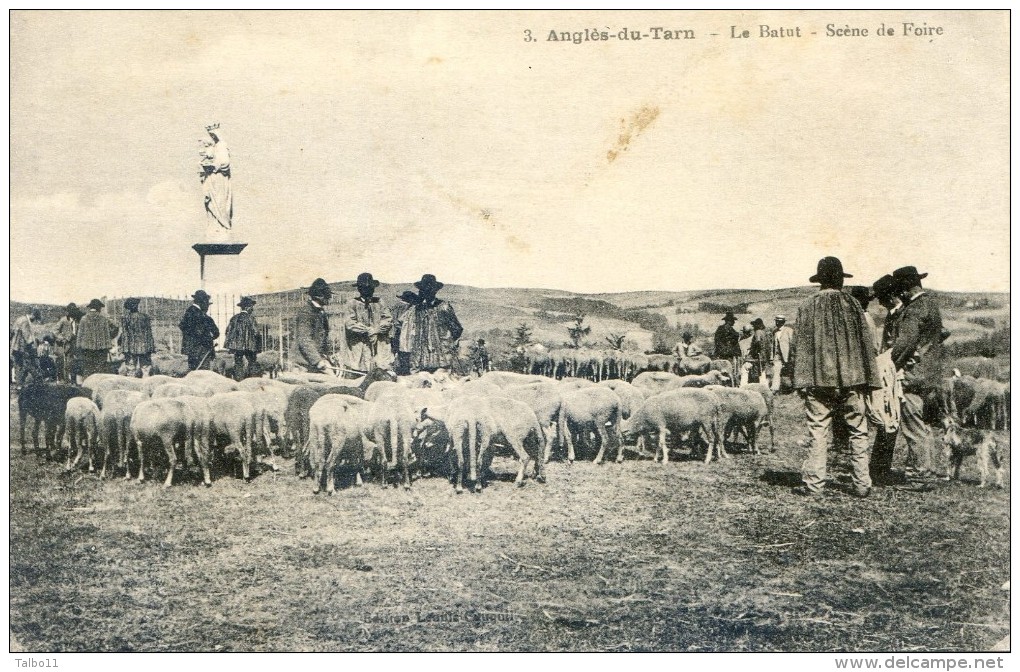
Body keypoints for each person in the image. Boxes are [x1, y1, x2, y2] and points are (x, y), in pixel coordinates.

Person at [791, 257, 881, 498]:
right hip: (853, 380)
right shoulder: (853, 305)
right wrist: (870, 381)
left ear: (820, 281)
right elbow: (866, 344)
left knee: (818, 433)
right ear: (841, 279)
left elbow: (798, 346)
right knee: (858, 431)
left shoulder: (807, 306)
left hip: (818, 381)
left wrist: (799, 380)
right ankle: (862, 484)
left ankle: (815, 485)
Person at [889, 266, 945, 483]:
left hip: (913, 375)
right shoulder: (931, 304)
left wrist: (888, 363)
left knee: (913, 425)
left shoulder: (913, 309)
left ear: (905, 288)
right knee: (923, 425)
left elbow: (905, 343)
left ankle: (919, 475)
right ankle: (926, 470)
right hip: (931, 374)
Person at [868, 274, 904, 486]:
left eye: (881, 297)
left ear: (891, 295)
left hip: (894, 373)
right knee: (886, 418)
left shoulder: (902, 314)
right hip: (887, 370)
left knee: (890, 418)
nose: (879, 303)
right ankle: (879, 467)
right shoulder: (894, 314)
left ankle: (881, 468)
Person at [397, 274, 464, 374]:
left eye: (429, 290)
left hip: (442, 359)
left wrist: (445, 342)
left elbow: (457, 329)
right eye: (424, 289)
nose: (426, 292)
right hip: (420, 360)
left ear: (435, 291)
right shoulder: (418, 309)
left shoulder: (444, 307)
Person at [344, 273, 393, 375]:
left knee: (380, 372)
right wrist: (367, 330)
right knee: (360, 373)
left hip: (379, 345)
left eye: (370, 288)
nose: (368, 290)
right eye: (364, 288)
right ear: (359, 289)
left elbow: (388, 319)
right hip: (359, 346)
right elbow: (350, 323)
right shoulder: (352, 304)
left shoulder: (379, 302)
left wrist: (376, 330)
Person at [292, 278, 333, 374]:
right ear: (320, 296)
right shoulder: (306, 313)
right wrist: (318, 361)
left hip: (315, 363)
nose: (329, 298)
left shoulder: (321, 312)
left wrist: (325, 358)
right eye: (327, 296)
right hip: (303, 365)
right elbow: (304, 339)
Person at [199, 123, 232, 240]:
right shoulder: (215, 146)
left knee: (219, 202)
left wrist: (212, 165)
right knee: (210, 202)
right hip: (211, 179)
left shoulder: (222, 145)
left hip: (219, 179)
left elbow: (225, 163)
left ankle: (223, 226)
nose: (212, 137)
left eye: (213, 134)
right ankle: (214, 226)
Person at [77, 299, 119, 379]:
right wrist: (109, 337)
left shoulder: (84, 319)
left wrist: (79, 347)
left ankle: (87, 387)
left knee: (88, 368)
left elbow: (80, 335)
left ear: (90, 308)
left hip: (87, 348)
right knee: (100, 369)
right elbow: (115, 327)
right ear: (99, 308)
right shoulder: (104, 318)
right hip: (102, 348)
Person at [179, 290, 219, 371]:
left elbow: (183, 327)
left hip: (191, 350)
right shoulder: (202, 316)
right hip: (202, 350)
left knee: (194, 372)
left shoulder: (189, 312)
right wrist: (208, 337)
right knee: (203, 373)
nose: (208, 307)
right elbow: (215, 333)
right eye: (207, 304)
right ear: (202, 302)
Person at [224, 296, 261, 381]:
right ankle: (252, 381)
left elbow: (227, 331)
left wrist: (231, 344)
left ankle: (239, 381)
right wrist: (258, 347)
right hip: (250, 347)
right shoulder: (251, 318)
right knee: (252, 363)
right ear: (248, 307)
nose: (252, 309)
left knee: (238, 364)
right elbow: (256, 333)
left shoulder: (234, 318)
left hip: (237, 347)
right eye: (252, 307)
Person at [119, 297, 156, 378]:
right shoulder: (145, 317)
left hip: (130, 346)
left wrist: (124, 348)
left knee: (131, 368)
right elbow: (149, 333)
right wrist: (151, 347)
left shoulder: (125, 318)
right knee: (146, 368)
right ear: (137, 306)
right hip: (144, 346)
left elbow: (125, 334)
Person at [390, 291, 420, 376]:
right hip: (404, 334)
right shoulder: (409, 308)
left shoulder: (396, 306)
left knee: (399, 354)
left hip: (397, 333)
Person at [10, 308, 41, 387]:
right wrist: (34, 347)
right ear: (33, 316)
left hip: (15, 347)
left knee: (18, 365)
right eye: (35, 319)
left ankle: (18, 384)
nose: (34, 321)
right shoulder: (25, 322)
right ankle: (20, 385)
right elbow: (27, 338)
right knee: (23, 366)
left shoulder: (20, 319)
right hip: (20, 348)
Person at [53, 303, 83, 383]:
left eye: (74, 311)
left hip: (74, 344)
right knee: (64, 363)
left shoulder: (77, 320)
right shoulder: (63, 320)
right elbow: (55, 331)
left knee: (73, 362)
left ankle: (73, 381)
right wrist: (62, 338)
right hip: (64, 345)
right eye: (71, 311)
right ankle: (64, 380)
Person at [714, 311, 741, 381]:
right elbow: (735, 340)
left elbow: (716, 340)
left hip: (720, 353)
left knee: (721, 370)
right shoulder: (731, 330)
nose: (734, 322)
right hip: (729, 354)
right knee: (730, 371)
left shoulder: (720, 328)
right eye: (733, 321)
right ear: (729, 321)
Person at [771, 315, 795, 393]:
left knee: (790, 371)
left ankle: (793, 387)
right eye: (776, 321)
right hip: (777, 355)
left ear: (783, 322)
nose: (777, 323)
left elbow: (792, 343)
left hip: (787, 354)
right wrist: (772, 356)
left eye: (779, 321)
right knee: (776, 370)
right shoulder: (774, 331)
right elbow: (773, 345)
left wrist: (791, 354)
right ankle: (775, 388)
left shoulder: (789, 330)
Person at [747, 318, 773, 384]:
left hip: (759, 354)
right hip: (764, 354)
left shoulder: (757, 332)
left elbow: (758, 342)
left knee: (758, 370)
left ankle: (758, 384)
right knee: (763, 370)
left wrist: (754, 351)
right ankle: (764, 384)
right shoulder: (764, 332)